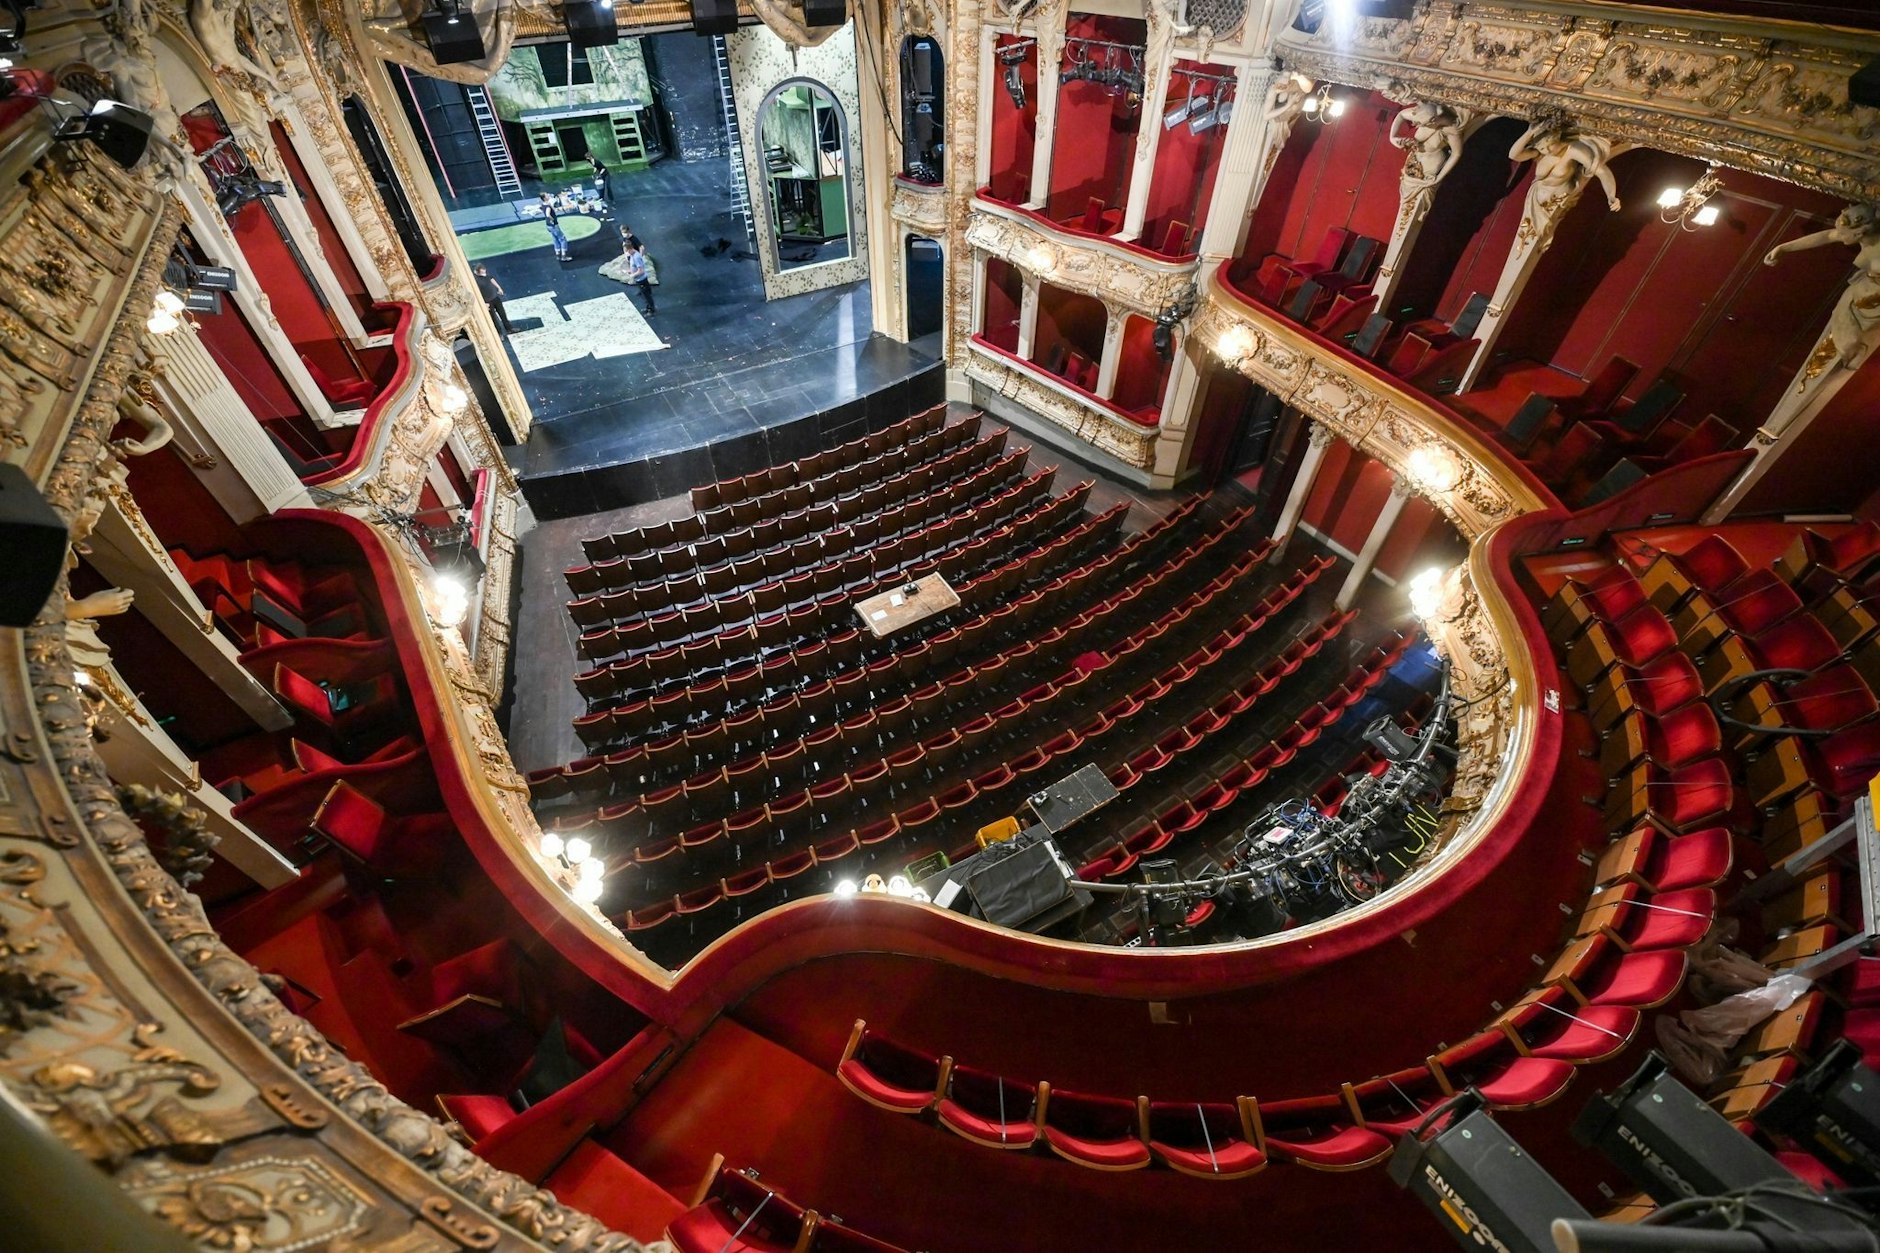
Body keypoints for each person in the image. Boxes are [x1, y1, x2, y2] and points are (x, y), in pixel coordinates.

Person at [474, 264, 512, 333]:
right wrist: (484, 303)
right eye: (482, 273)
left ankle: (509, 328)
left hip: (495, 298)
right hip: (488, 302)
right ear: (477, 272)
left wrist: (499, 288)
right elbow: (477, 293)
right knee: (494, 319)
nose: (484, 274)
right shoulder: (475, 280)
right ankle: (499, 333)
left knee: (502, 314)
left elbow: (491, 279)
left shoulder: (486, 275)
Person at [624, 241, 656, 315]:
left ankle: (651, 310)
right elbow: (634, 267)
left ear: (629, 249)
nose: (626, 253)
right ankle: (648, 307)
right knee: (644, 295)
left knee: (647, 296)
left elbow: (641, 271)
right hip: (638, 279)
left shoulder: (636, 257)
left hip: (642, 280)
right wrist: (629, 271)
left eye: (626, 251)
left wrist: (633, 275)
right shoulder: (632, 256)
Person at [539, 191, 569, 262]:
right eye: (547, 195)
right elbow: (547, 214)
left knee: (555, 239)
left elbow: (551, 209)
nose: (548, 195)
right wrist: (552, 219)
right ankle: (564, 256)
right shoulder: (548, 206)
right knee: (562, 239)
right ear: (544, 198)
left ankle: (558, 254)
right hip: (553, 225)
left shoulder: (544, 204)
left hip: (548, 226)